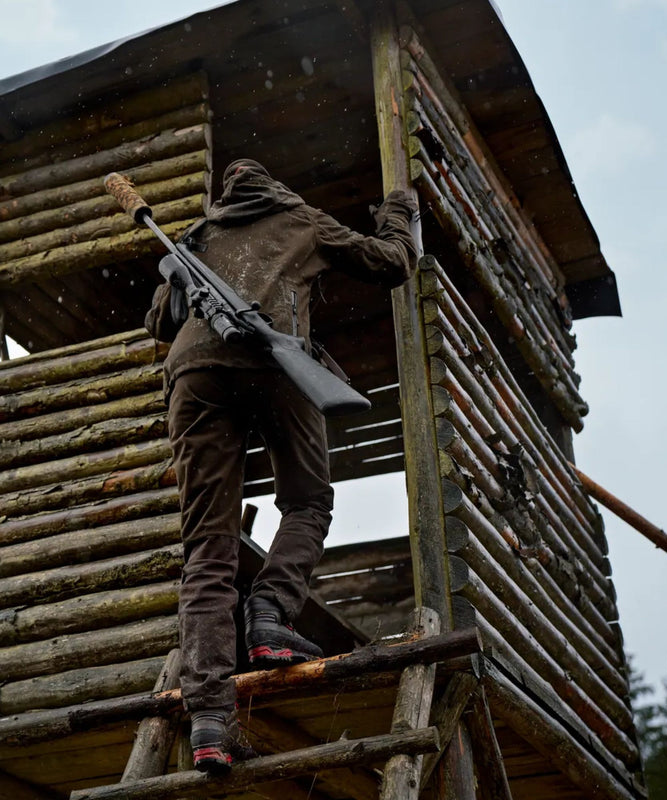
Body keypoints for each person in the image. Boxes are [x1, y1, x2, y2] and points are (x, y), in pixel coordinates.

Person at [145, 158, 418, 773]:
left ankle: (210, 722)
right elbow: (391, 263)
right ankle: (269, 614)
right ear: (276, 187)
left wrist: (178, 277)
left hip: (194, 376)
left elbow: (160, 322)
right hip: (271, 365)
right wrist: (399, 213)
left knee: (208, 554)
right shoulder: (303, 219)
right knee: (307, 502)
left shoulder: (194, 237)